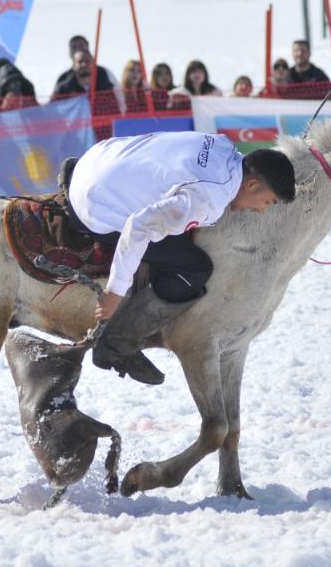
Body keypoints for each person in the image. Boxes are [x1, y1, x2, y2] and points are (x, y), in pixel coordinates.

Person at [65, 132, 296, 384]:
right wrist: (114, 293)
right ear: (252, 185)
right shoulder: (208, 199)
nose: (262, 209)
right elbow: (139, 227)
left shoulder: (220, 143)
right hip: (92, 205)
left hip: (93, 160)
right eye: (268, 201)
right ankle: (116, 346)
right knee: (195, 268)